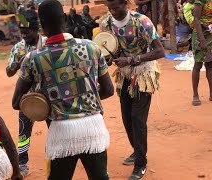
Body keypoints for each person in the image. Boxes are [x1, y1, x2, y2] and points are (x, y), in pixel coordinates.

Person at [12, 0, 114, 179]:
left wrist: (46, 105)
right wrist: (87, 98)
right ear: (65, 18)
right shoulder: (92, 47)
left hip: (61, 131)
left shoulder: (33, 59)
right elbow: (108, 90)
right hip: (93, 127)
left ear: (42, 25)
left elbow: (16, 102)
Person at [100, 0, 165, 179]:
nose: (113, 11)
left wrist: (131, 60)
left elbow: (160, 51)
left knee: (137, 119)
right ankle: (138, 151)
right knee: (127, 118)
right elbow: (105, 48)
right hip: (124, 75)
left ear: (126, 4)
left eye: (116, 7)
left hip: (143, 74)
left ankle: (140, 164)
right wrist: (106, 59)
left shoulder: (141, 21)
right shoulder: (105, 23)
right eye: (109, 8)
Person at [6, 9, 47, 177]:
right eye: (21, 32)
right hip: (26, 97)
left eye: (27, 32)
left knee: (55, 128)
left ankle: (57, 158)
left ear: (36, 29)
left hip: (47, 94)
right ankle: (22, 163)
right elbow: (8, 72)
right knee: (23, 132)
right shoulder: (18, 48)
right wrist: (17, 64)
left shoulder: (46, 43)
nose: (23, 35)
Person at [191, 0, 212, 106]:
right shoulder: (200, 1)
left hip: (211, 34)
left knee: (210, 64)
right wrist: (202, 39)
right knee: (198, 64)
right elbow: (196, 18)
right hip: (201, 34)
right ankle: (195, 95)